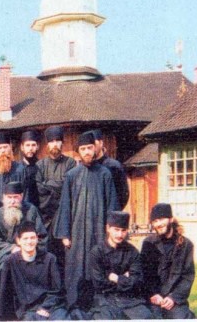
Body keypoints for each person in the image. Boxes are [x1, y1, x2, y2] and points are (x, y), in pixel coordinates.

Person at [53, 131, 119, 312]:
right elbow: (65, 205)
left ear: (95, 148)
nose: (87, 152)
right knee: (75, 269)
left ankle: (100, 305)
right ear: (78, 152)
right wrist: (65, 234)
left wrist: (111, 231)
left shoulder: (105, 174)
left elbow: (112, 204)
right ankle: (74, 305)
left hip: (99, 231)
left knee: (98, 266)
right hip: (76, 232)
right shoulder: (72, 175)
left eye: (90, 148)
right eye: (83, 149)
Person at [0, 221, 67, 321]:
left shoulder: (50, 259)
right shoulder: (10, 261)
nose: (29, 242)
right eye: (25, 238)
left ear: (37, 239)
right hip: (27, 309)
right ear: (18, 241)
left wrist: (45, 307)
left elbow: (57, 289)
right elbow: (4, 291)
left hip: (51, 306)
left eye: (32, 238)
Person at [89, 211, 152, 319]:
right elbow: (99, 283)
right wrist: (125, 278)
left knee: (146, 317)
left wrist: (117, 278)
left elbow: (138, 281)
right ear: (108, 228)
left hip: (130, 299)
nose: (120, 235)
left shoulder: (132, 252)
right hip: (105, 299)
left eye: (123, 230)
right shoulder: (97, 252)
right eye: (116, 230)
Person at [0, 181, 47, 303]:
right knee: (5, 265)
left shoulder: (31, 210)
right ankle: (3, 305)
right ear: (3, 198)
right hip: (6, 253)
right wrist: (12, 248)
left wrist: (25, 248)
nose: (12, 201)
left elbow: (42, 236)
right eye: (9, 198)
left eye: (15, 197)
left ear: (21, 197)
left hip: (29, 253)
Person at [140, 203, 196, 319]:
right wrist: (153, 294)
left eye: (161, 219)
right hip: (153, 298)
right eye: (155, 221)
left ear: (170, 219)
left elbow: (187, 276)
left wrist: (174, 297)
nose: (158, 224)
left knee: (181, 318)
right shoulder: (148, 243)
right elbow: (144, 273)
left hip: (174, 300)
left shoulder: (186, 245)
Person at [35, 126, 77, 275]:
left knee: (64, 255)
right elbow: (40, 189)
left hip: (64, 214)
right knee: (47, 253)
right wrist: (57, 185)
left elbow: (68, 186)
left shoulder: (70, 163)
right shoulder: (40, 165)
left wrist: (49, 184)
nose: (55, 145)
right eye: (51, 142)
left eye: (58, 141)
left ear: (62, 143)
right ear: (47, 145)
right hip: (46, 216)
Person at [0, 132, 28, 210]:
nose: (3, 151)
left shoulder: (20, 169)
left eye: (5, 147)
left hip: (17, 211)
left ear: (10, 148)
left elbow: (26, 195)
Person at [89, 129, 130, 209]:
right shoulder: (85, 167)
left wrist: (114, 213)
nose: (92, 147)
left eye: (94, 143)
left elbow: (123, 194)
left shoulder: (113, 166)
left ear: (101, 143)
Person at [19, 130, 41, 208]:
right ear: (22, 147)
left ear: (37, 146)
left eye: (33, 145)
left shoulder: (41, 166)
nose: (30, 148)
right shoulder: (17, 169)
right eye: (27, 145)